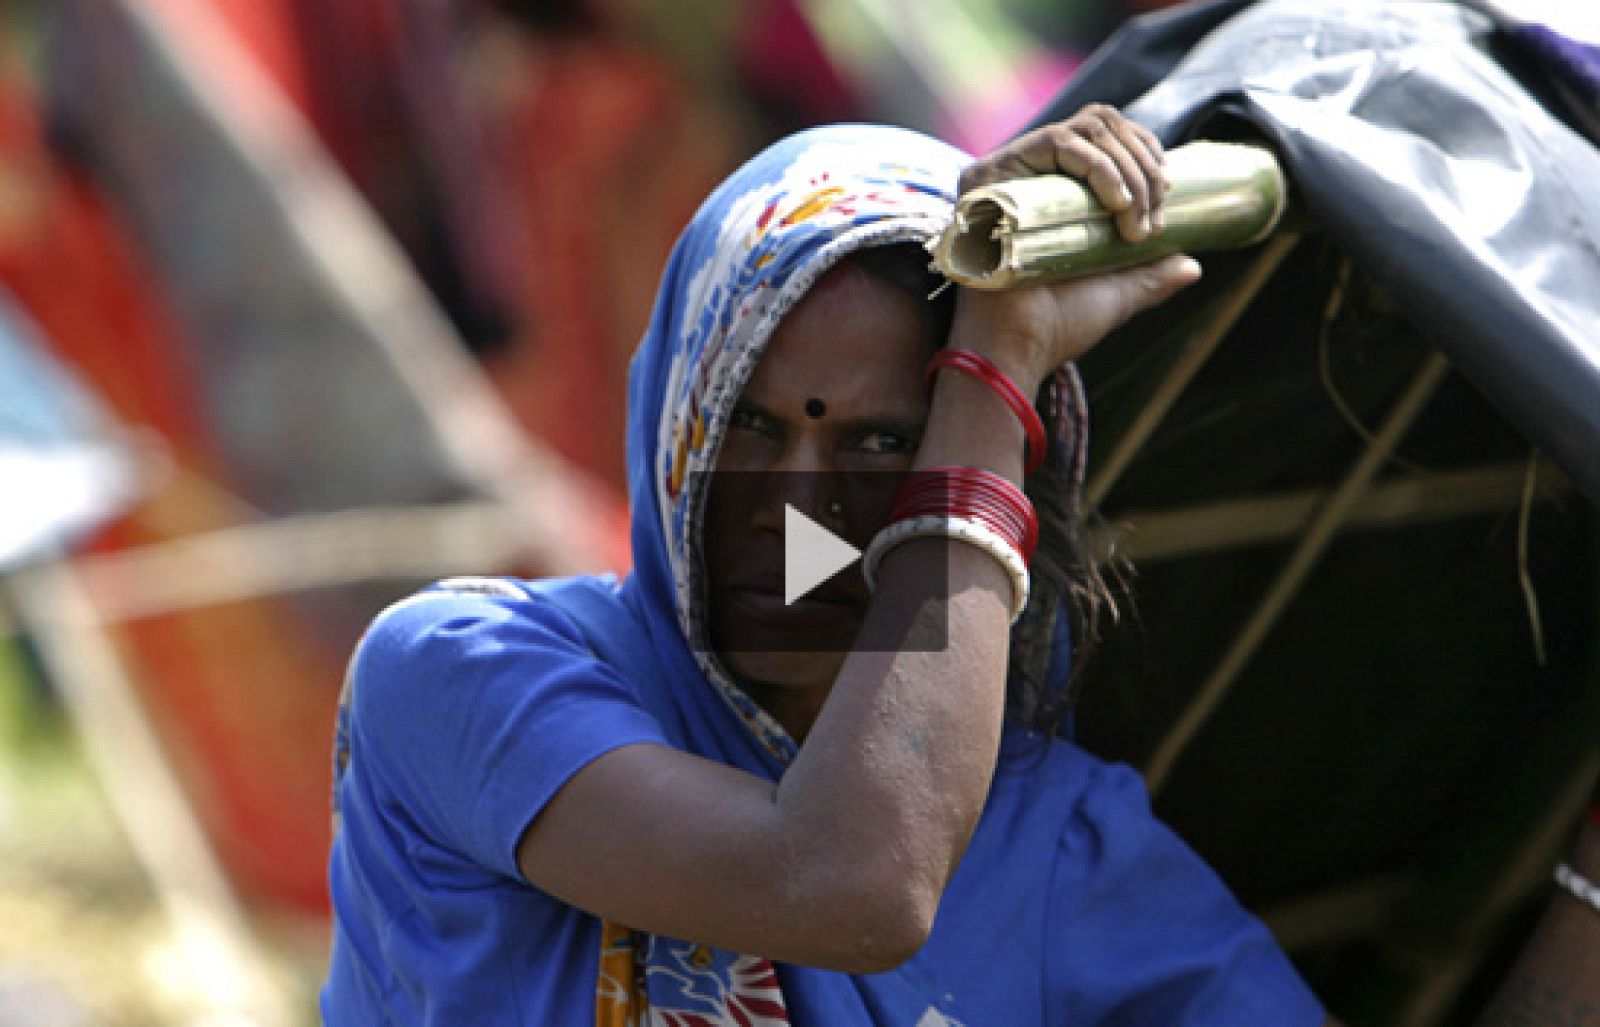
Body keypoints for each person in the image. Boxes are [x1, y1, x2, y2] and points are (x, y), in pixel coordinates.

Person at [321, 105, 1335, 1024]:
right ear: (675, 423)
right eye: (749, 425)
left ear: (988, 466)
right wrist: (990, 369)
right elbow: (852, 884)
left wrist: (989, 377)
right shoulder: (465, 673)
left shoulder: (1051, 845)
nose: (797, 513)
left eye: (883, 443)